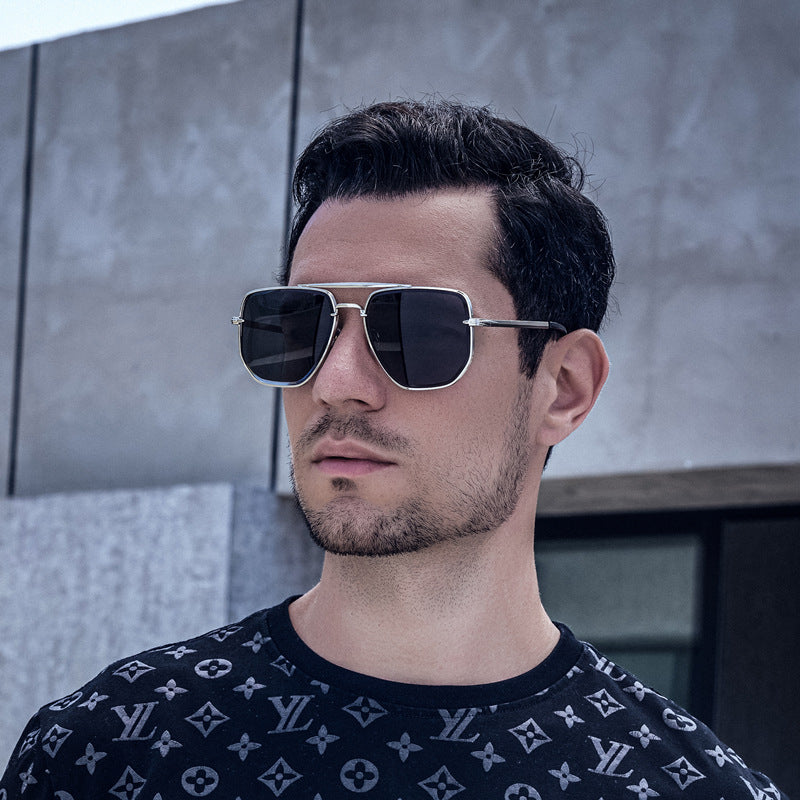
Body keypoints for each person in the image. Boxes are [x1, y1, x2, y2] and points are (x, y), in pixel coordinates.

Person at [1, 100, 786, 800]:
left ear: (564, 388)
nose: (337, 383)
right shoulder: (106, 754)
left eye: (415, 330)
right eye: (299, 326)